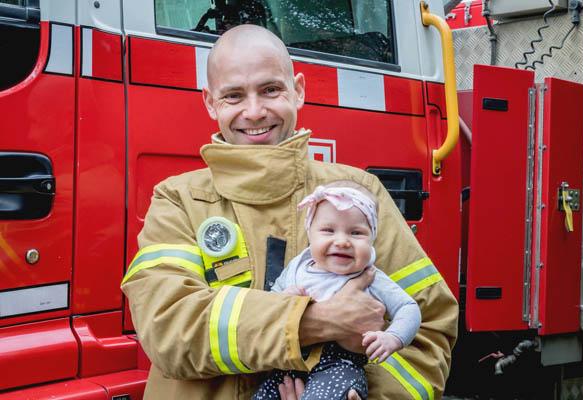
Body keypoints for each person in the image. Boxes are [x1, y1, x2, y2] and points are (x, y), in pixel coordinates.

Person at [121, 24, 458, 400]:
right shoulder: (177, 199)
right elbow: (167, 328)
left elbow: (428, 329)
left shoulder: (358, 193)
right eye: (233, 96)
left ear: (298, 90)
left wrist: (346, 393)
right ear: (210, 102)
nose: (254, 112)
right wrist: (314, 321)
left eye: (270, 90)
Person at [253, 181, 421, 400]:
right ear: (310, 233)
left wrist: (393, 337)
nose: (342, 241)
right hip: (291, 366)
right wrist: (285, 300)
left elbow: (408, 307)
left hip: (339, 367)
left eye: (356, 233)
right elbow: (268, 304)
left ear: (372, 238)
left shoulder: (371, 277)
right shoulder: (298, 267)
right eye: (328, 230)